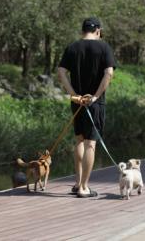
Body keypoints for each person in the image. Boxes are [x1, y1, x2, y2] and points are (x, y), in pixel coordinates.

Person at [58, 17, 115, 198]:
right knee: (91, 143)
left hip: (77, 102)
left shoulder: (73, 47)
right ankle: (84, 187)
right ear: (97, 30)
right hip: (95, 103)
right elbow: (109, 73)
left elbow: (61, 71)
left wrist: (73, 93)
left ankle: (77, 182)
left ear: (83, 30)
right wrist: (96, 96)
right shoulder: (104, 47)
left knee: (79, 141)